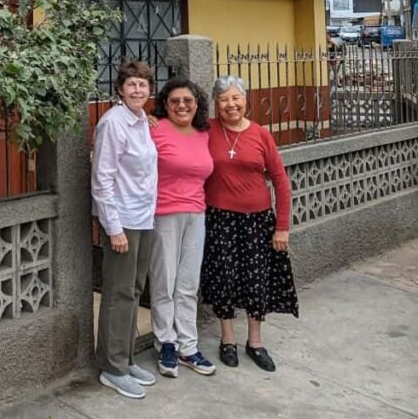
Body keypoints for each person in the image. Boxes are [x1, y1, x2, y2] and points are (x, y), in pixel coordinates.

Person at [200, 75, 299, 372]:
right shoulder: (206, 130)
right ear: (216, 105)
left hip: (257, 221)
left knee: (257, 281)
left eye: (236, 98)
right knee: (224, 279)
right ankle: (227, 339)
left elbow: (280, 181)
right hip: (219, 218)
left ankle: (255, 341)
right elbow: (176, 128)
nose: (231, 105)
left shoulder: (260, 134)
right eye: (224, 100)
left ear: (245, 100)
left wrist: (282, 226)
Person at [91, 60, 158, 399]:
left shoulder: (144, 121)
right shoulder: (112, 123)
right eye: (131, 84)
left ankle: (127, 356)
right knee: (118, 293)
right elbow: (102, 179)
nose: (137, 90)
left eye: (143, 85)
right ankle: (111, 367)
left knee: (134, 288)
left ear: (150, 90)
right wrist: (113, 228)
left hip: (144, 218)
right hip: (123, 221)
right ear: (120, 88)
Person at [148, 77, 216, 378]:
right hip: (164, 214)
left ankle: (188, 347)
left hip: (196, 214)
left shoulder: (204, 132)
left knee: (188, 283)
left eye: (187, 100)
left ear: (197, 103)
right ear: (165, 104)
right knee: (165, 281)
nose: (181, 105)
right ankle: (166, 343)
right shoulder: (154, 128)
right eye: (174, 101)